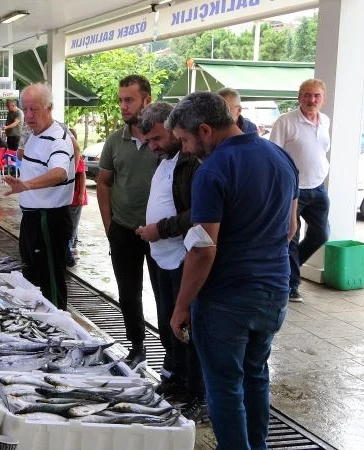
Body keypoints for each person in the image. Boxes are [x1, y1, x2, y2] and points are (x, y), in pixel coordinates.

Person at [167, 91, 298, 450]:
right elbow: (290, 229)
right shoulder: (280, 157)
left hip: (227, 299)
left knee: (224, 386)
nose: (187, 149)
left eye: (185, 140)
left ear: (205, 130)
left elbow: (204, 248)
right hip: (274, 292)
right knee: (255, 376)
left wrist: (180, 307)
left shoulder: (213, 170)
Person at [135, 102, 206, 420]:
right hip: (160, 255)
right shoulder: (164, 159)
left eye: (157, 138)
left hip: (182, 256)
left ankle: (198, 393)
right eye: (148, 140)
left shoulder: (191, 162)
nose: (153, 146)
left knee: (185, 327)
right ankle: (176, 377)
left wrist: (159, 229)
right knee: (167, 322)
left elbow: (197, 215)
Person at [96, 74, 158, 370]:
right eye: (121, 100)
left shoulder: (165, 140)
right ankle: (137, 348)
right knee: (128, 293)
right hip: (124, 230)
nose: (123, 106)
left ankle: (174, 356)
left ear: (147, 100)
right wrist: (109, 226)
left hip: (162, 234)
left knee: (165, 294)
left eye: (129, 100)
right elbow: (104, 183)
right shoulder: (114, 142)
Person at [3, 83, 75, 310]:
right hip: (33, 217)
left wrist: (26, 185)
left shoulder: (57, 138)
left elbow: (59, 172)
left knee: (50, 282)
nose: (30, 116)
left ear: (49, 108)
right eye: (26, 109)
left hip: (48, 219)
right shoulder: (35, 134)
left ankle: (60, 331)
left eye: (34, 109)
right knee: (32, 277)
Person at [269, 79, 331, 302]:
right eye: (307, 95)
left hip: (318, 187)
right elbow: (273, 155)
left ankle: (291, 269)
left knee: (321, 233)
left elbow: (322, 151)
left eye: (316, 96)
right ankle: (291, 284)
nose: (311, 100)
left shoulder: (325, 121)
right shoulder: (285, 121)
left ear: (323, 99)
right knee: (291, 237)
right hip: (292, 190)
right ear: (299, 97)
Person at [67, 127, 87, 268]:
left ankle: (70, 252)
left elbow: (82, 175)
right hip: (70, 197)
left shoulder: (76, 156)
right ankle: (71, 249)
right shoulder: (67, 155)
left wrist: (80, 194)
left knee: (72, 225)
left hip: (75, 197)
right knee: (71, 224)